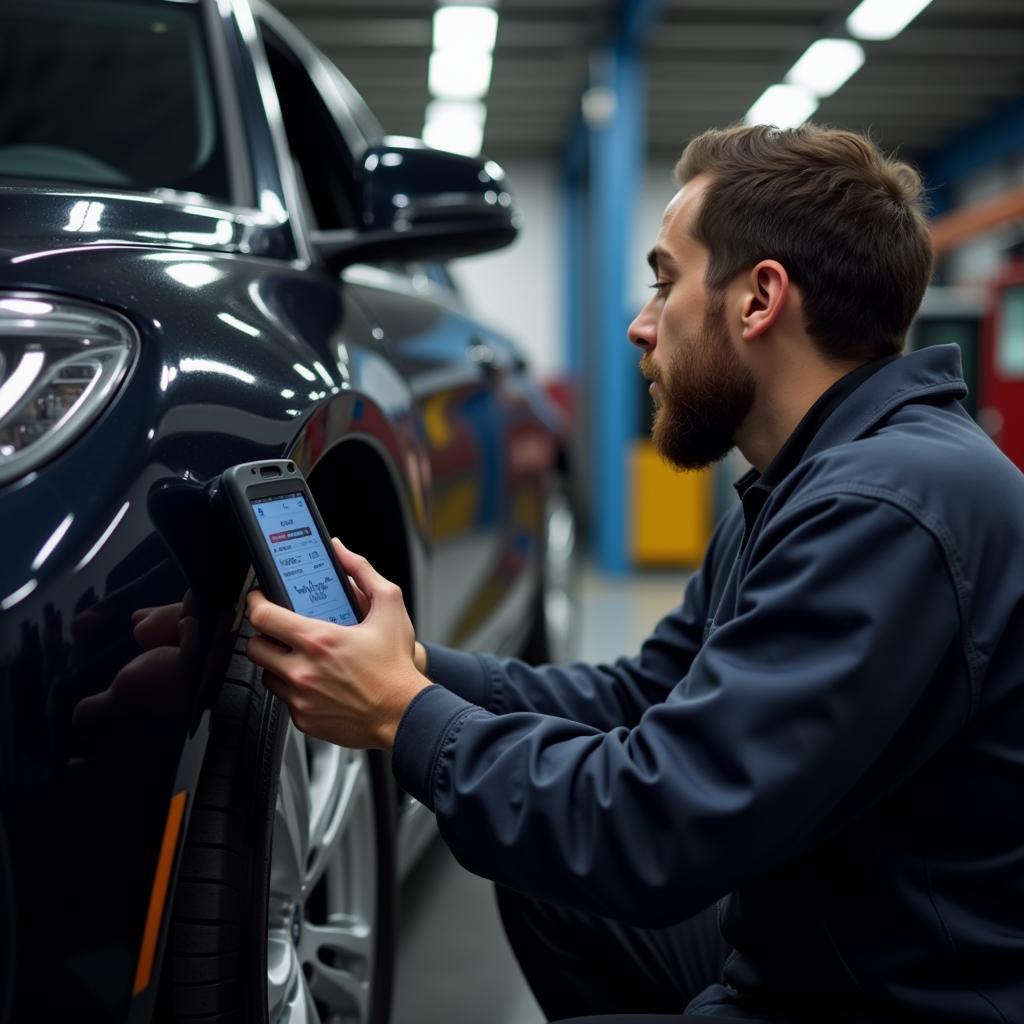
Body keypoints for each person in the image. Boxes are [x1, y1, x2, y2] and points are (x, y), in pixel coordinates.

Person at [244, 124, 1024, 1024]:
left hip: (906, 993)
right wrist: (416, 666)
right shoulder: (813, 483)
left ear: (758, 299)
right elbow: (644, 697)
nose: (640, 325)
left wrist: (402, 717)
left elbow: (653, 829)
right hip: (835, 935)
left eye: (664, 281)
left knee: (583, 862)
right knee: (552, 888)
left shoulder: (885, 508)